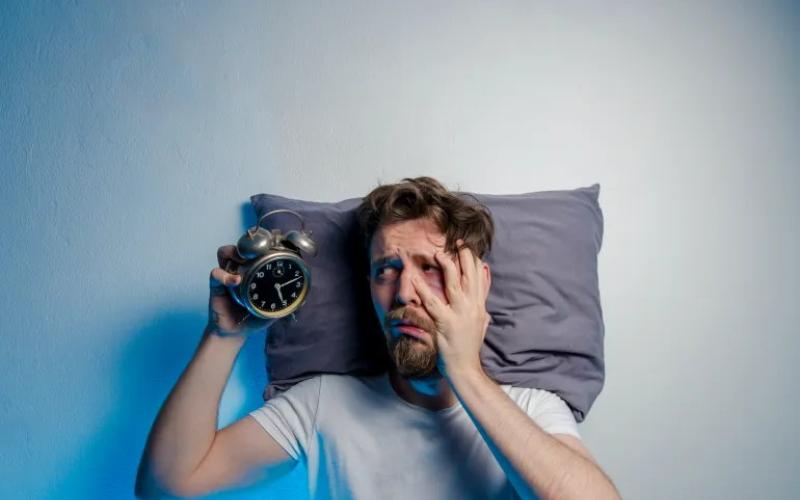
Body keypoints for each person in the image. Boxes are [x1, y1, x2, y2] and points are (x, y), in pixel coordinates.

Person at [136, 177, 621, 499]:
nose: (404, 292)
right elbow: (168, 483)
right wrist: (223, 336)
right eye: (387, 269)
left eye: (430, 268)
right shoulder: (324, 404)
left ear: (478, 285)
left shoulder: (531, 410)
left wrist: (465, 370)